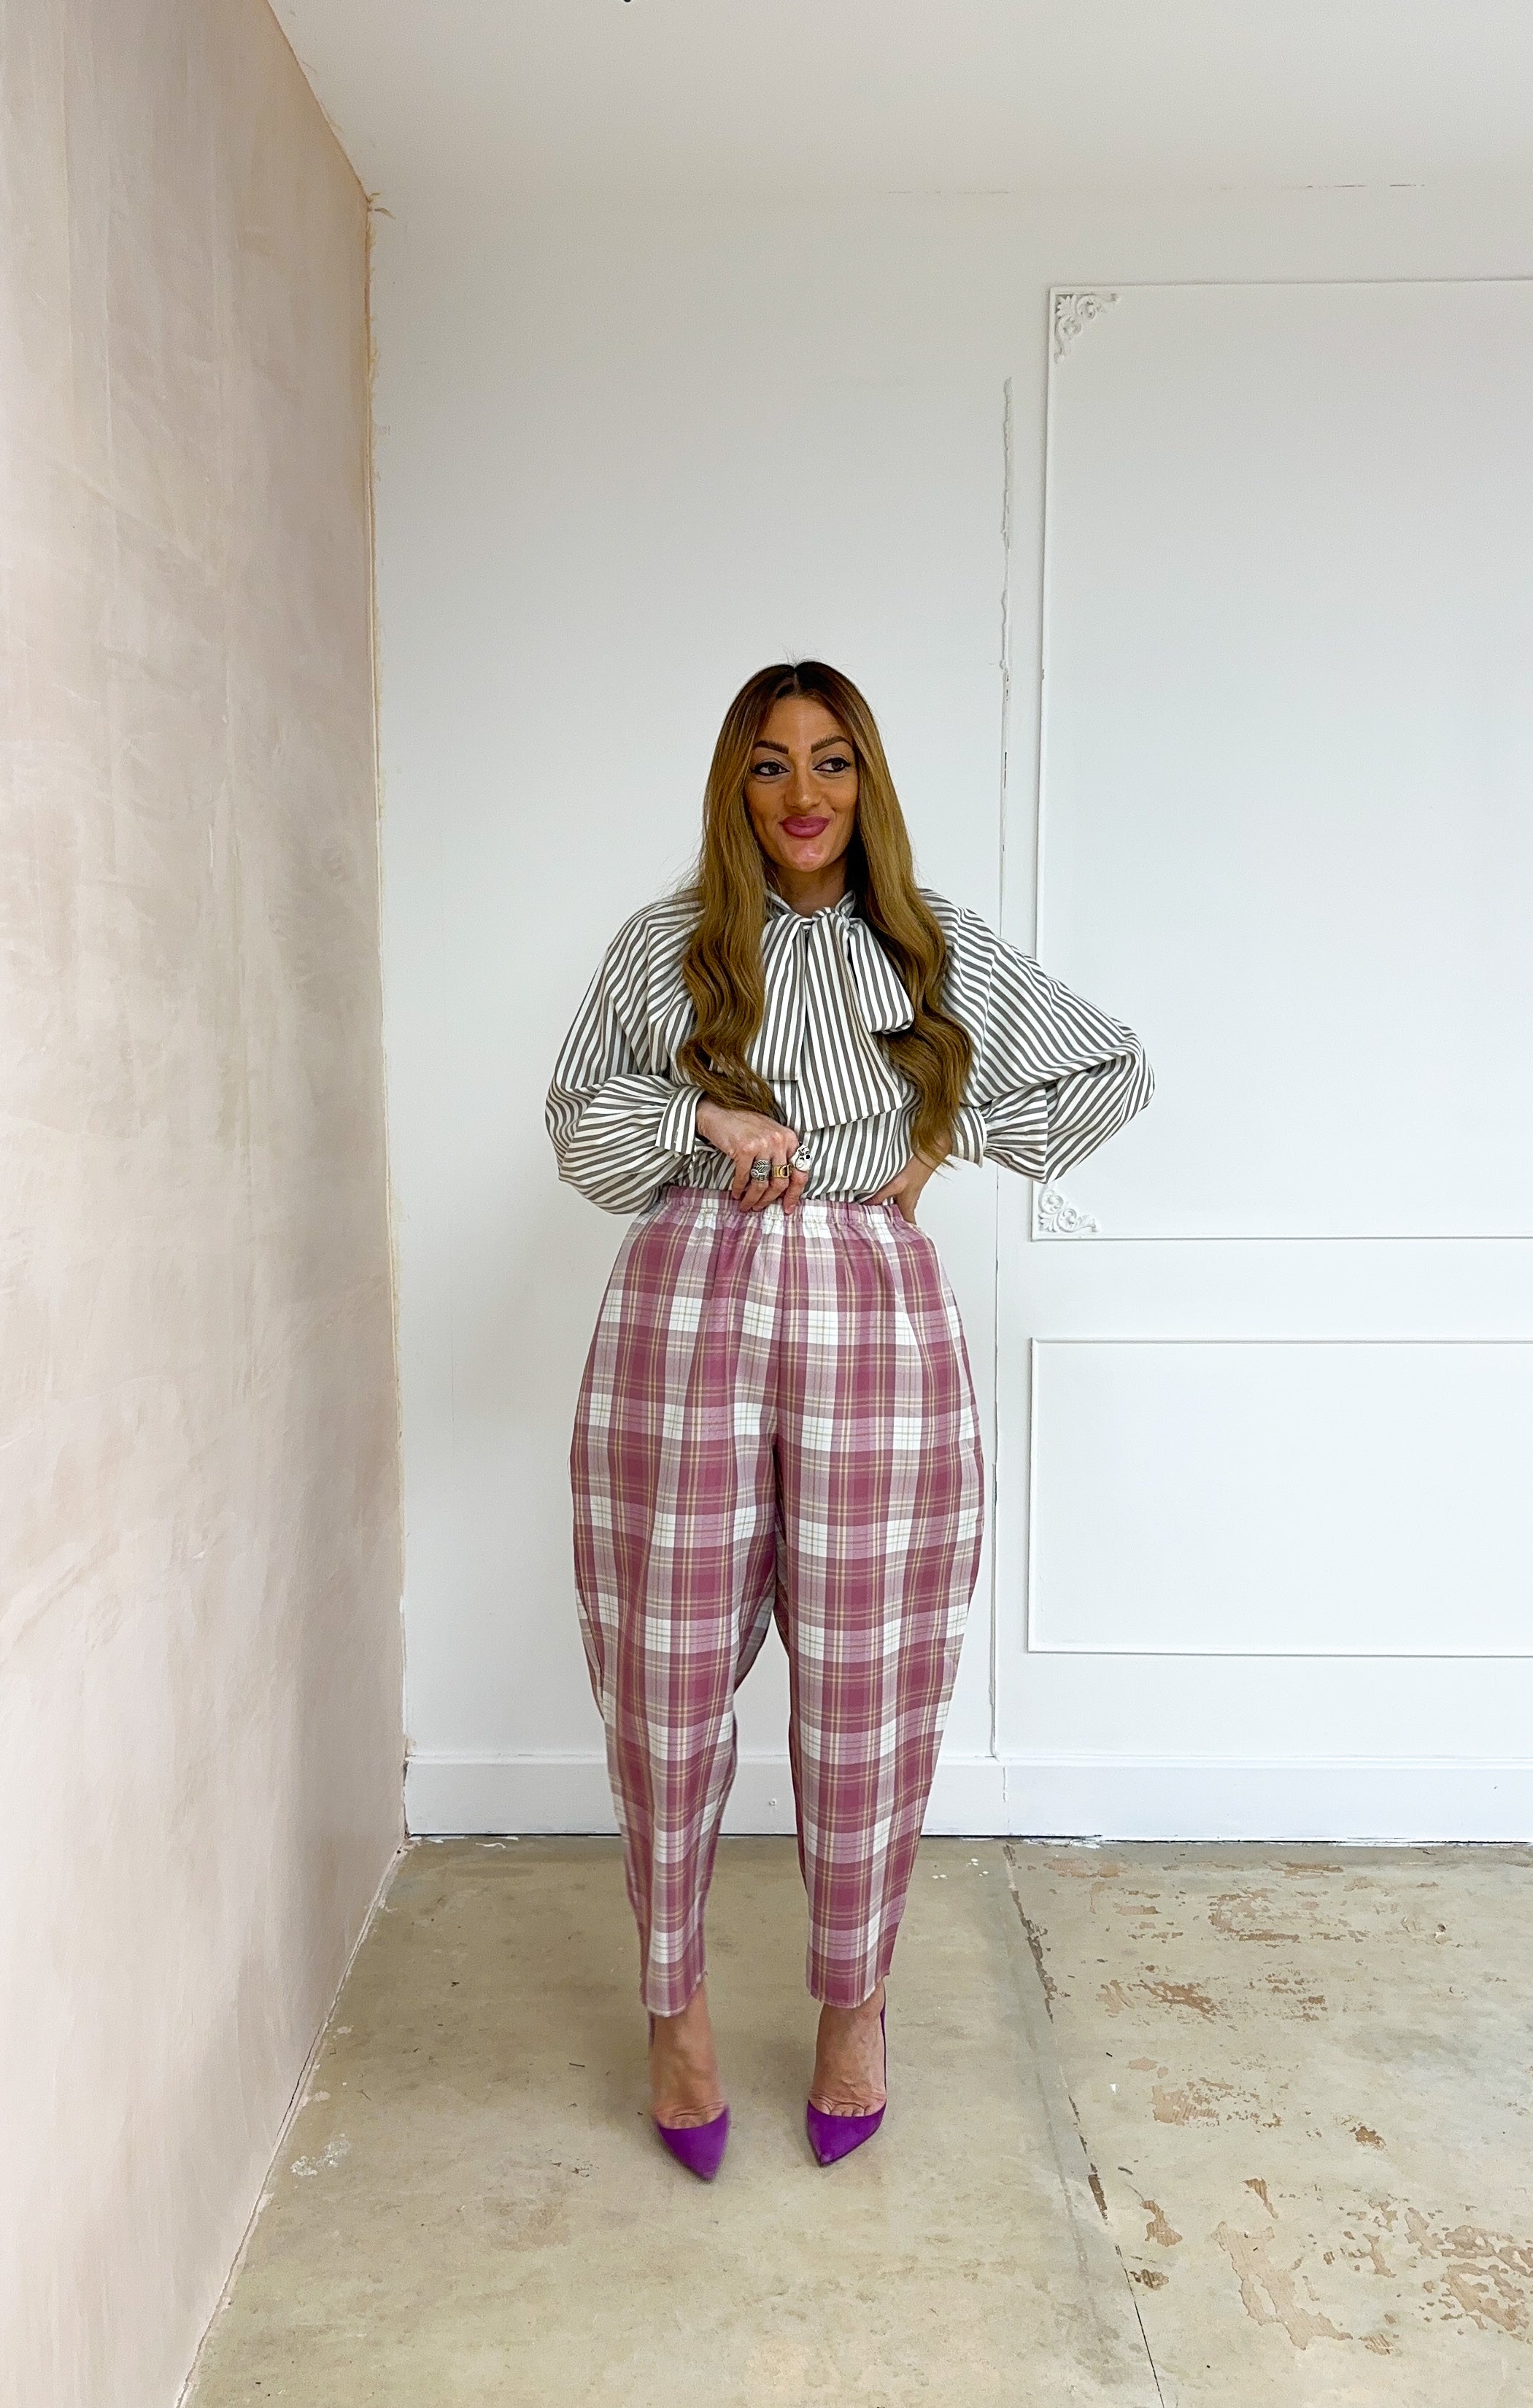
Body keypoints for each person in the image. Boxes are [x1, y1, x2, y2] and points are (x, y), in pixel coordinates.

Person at [545, 660, 1152, 2179]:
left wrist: (941, 1135)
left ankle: (851, 2004)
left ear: (865, 782)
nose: (801, 795)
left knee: (868, 1679)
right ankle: (672, 2007)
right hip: (685, 1300)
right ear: (731, 787)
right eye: (768, 766)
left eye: (828, 763)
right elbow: (578, 1124)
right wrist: (703, 1115)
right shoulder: (668, 946)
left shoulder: (933, 947)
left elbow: (1107, 1071)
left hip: (871, 1313)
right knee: (666, 1671)